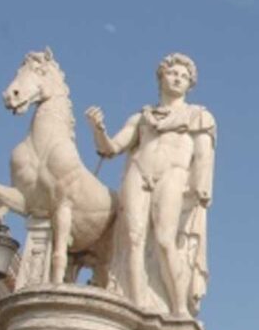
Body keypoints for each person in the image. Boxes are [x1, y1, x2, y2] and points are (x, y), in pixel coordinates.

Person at [86, 53, 215, 316]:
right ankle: (138, 304)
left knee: (166, 240)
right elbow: (111, 149)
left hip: (173, 175)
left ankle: (179, 308)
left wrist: (199, 191)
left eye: (183, 76)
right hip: (138, 172)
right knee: (132, 238)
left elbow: (202, 156)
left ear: (190, 84)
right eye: (172, 73)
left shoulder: (198, 116)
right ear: (161, 78)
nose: (177, 78)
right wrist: (98, 128)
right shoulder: (142, 118)